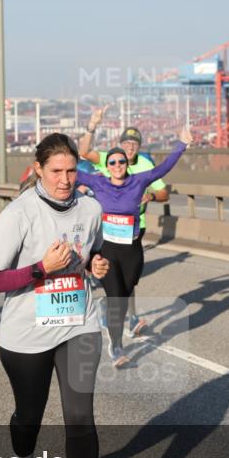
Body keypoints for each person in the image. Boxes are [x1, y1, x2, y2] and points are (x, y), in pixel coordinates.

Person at [0, 133, 111, 458]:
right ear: (38, 170)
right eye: (56, 171)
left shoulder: (90, 207)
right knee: (28, 417)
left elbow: (92, 252)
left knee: (80, 416)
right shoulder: (19, 214)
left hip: (80, 323)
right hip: (26, 334)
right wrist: (40, 268)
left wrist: (97, 265)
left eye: (72, 170)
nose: (65, 179)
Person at [76, 130, 189, 367]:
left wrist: (182, 144)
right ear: (107, 166)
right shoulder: (99, 181)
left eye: (121, 162)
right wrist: (48, 161)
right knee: (117, 298)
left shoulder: (138, 181)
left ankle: (110, 313)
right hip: (106, 249)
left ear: (126, 165)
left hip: (132, 249)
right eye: (112, 162)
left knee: (125, 296)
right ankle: (116, 346)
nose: (117, 165)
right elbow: (71, 170)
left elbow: (163, 169)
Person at [78, 107, 169, 338]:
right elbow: (85, 151)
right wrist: (93, 124)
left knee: (129, 278)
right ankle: (124, 319)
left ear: (139, 148)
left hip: (135, 228)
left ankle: (120, 312)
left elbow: (164, 194)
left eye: (134, 144)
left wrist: (150, 196)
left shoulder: (145, 167)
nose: (129, 148)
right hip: (108, 231)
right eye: (126, 143)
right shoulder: (111, 159)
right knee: (113, 277)